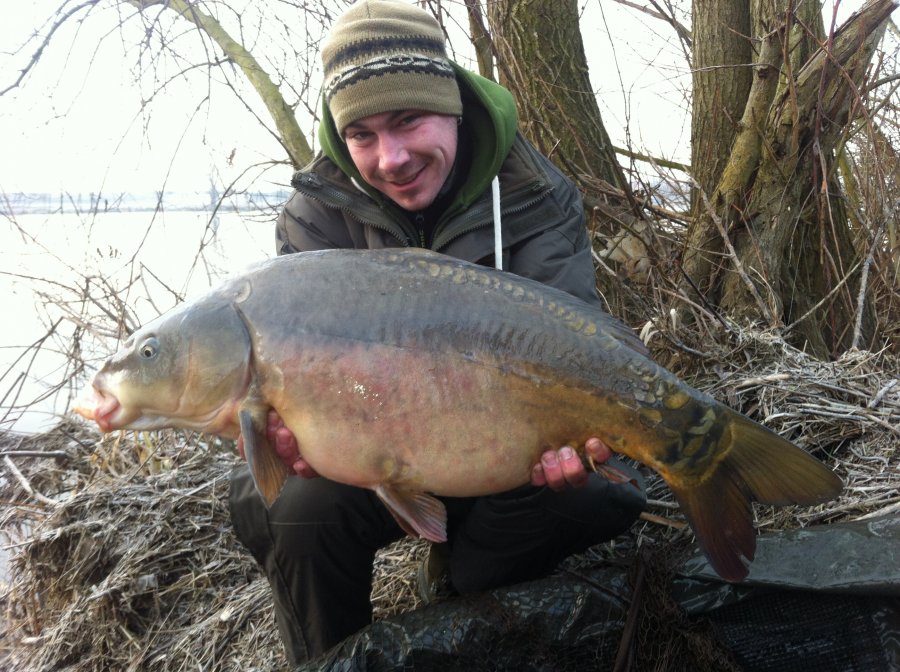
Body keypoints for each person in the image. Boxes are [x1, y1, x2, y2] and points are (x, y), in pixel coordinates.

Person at [228, 0, 646, 664]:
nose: (390, 157)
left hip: (505, 440)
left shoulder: (533, 192)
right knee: (283, 503)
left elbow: (574, 344)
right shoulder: (316, 213)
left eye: (407, 120)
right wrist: (290, 431)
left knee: (593, 497)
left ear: (450, 104)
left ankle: (463, 581)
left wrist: (570, 438)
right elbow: (293, 370)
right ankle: (327, 658)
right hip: (376, 441)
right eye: (362, 134)